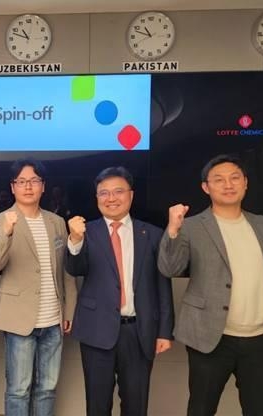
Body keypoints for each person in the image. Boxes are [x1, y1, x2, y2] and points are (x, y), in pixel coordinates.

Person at [158, 154, 263, 416]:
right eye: (219, 180)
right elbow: (169, 268)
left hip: (261, 340)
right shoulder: (191, 227)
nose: (228, 185)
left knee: (260, 410)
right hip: (210, 337)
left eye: (234, 178)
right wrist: (172, 229)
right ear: (206, 187)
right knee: (201, 409)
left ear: (245, 183)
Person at [65, 166, 174, 416]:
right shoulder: (86, 232)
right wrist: (75, 240)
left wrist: (164, 331)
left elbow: (162, 285)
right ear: (96, 198)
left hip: (139, 331)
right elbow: (75, 268)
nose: (111, 198)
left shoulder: (152, 234)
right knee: (97, 405)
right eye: (104, 193)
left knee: (136, 405)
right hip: (96, 330)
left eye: (118, 191)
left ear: (131, 195)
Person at [0, 157, 77, 416]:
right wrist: (6, 232)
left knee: (47, 387)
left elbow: (66, 270)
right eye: (22, 181)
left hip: (53, 320)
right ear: (12, 187)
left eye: (34, 181)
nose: (28, 186)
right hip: (19, 320)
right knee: (18, 389)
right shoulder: (1, 220)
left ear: (43, 186)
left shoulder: (56, 222)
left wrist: (69, 310)